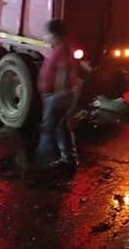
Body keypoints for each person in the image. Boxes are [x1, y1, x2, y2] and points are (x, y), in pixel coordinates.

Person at [34, 19, 78, 170]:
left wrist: (58, 94)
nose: (48, 37)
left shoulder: (62, 50)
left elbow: (63, 72)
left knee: (48, 130)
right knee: (61, 127)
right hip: (59, 95)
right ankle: (67, 158)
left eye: (49, 34)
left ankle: (45, 163)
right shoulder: (60, 47)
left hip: (58, 96)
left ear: (55, 35)